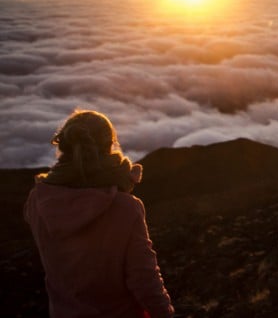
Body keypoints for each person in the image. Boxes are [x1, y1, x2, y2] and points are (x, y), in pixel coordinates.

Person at [24, 110, 174, 318]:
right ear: (109, 146)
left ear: (64, 146)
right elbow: (143, 279)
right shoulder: (126, 208)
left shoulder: (37, 201)